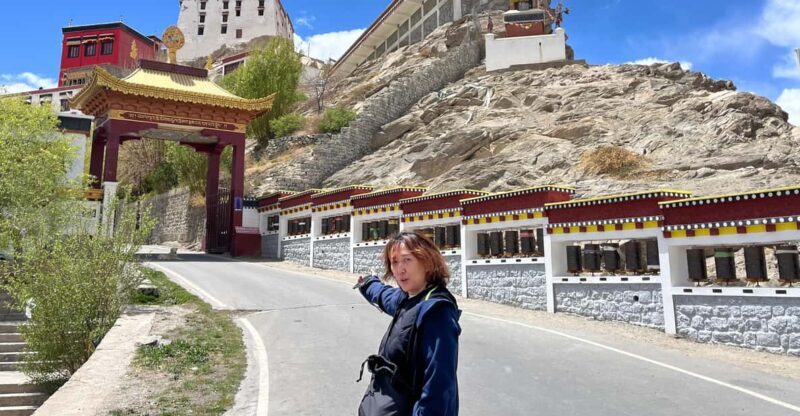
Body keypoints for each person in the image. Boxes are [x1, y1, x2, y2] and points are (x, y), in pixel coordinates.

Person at [354, 231, 462, 416]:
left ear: (427, 261)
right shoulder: (407, 297)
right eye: (394, 262)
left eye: (407, 260)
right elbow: (384, 295)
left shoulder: (435, 312)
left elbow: (438, 387)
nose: (399, 269)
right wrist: (367, 283)